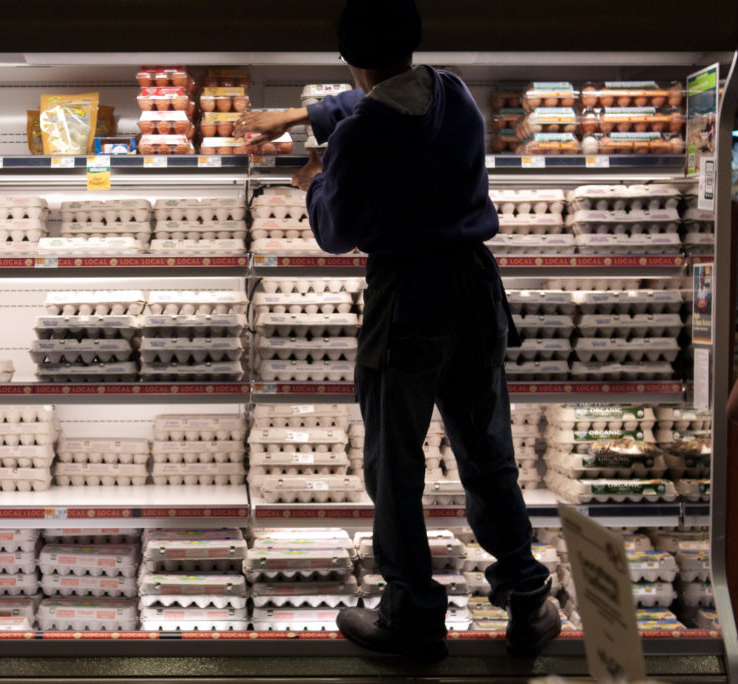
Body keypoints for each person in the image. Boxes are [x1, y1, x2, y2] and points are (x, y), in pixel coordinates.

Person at [235, 0, 557, 661]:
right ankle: (526, 595)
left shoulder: (361, 135)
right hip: (474, 286)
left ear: (349, 57)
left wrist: (317, 177)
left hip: (410, 296)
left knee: (395, 462)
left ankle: (411, 613)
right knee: (486, 453)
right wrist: (300, 118)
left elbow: (338, 232)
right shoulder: (452, 92)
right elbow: (379, 101)